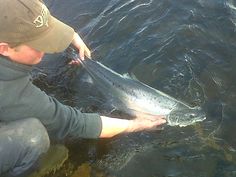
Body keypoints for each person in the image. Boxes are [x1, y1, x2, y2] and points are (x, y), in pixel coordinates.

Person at [0, 0, 166, 176]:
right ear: (4, 48)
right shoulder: (10, 91)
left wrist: (73, 37)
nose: (48, 49)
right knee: (33, 137)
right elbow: (73, 122)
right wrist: (135, 125)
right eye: (39, 44)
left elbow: (30, 19)